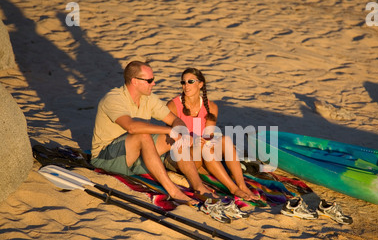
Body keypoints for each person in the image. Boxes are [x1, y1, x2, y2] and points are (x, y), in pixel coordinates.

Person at [91, 61, 216, 205]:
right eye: (150, 80)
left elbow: (174, 120)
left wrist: (181, 132)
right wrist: (170, 130)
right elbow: (132, 127)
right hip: (106, 158)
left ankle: (199, 186)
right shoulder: (113, 99)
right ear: (134, 81)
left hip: (134, 157)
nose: (154, 83)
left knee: (176, 136)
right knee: (143, 135)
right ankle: (174, 191)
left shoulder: (148, 98)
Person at [166, 68, 259, 201]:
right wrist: (194, 142)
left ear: (200, 84)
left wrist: (204, 142)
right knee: (205, 148)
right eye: (183, 82)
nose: (186, 86)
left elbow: (208, 135)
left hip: (201, 151)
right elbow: (171, 138)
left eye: (190, 81)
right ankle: (233, 188)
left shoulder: (211, 107)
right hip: (180, 155)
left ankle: (241, 185)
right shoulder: (173, 105)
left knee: (225, 139)